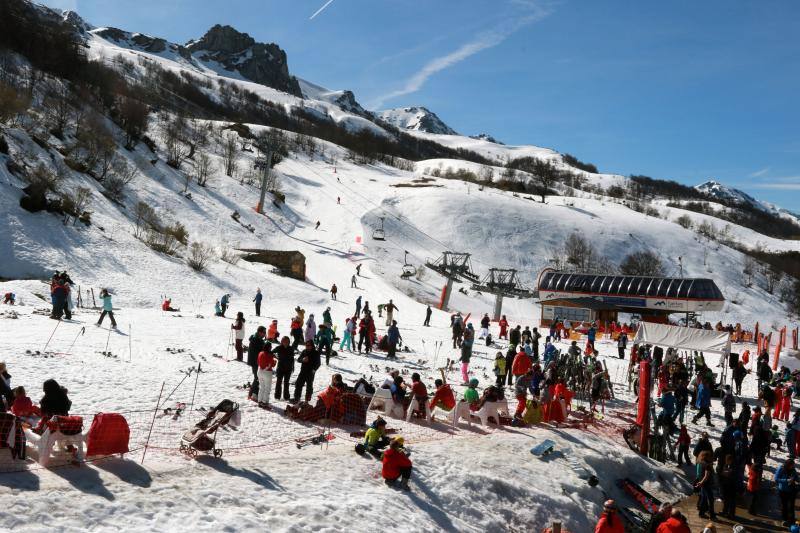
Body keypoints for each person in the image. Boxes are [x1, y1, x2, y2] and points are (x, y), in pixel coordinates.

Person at [776, 458, 800, 525]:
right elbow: (776, 479)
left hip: (792, 490)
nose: (792, 467)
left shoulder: (793, 470)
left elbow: (796, 477)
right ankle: (784, 519)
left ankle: (792, 519)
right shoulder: (781, 469)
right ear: (787, 465)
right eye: (791, 465)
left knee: (791, 506)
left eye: (793, 465)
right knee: (784, 505)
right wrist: (786, 480)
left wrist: (797, 481)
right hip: (783, 490)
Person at [247, 326, 267, 398]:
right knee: (257, 377)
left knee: (258, 377)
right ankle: (252, 393)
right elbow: (259, 351)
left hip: (257, 361)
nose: (265, 334)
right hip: (255, 361)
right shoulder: (256, 339)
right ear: (259, 332)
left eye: (265, 332)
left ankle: (254, 393)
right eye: (264, 332)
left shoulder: (259, 339)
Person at [695, 450, 716, 519]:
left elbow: (701, 474)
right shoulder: (707, 465)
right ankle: (712, 515)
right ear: (706, 457)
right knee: (711, 499)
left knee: (704, 499)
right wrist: (702, 482)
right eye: (710, 456)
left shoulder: (700, 463)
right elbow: (706, 476)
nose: (711, 458)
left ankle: (701, 513)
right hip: (707, 484)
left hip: (703, 484)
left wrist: (700, 482)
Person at [273, 336, 294, 401]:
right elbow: (271, 352)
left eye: (287, 341)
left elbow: (292, 358)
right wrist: (276, 357)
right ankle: (277, 396)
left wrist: (293, 367)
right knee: (278, 382)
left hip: (288, 368)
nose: (285, 342)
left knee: (286, 383)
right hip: (280, 368)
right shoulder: (278, 348)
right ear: (282, 342)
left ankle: (286, 397)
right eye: (284, 341)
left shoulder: (291, 348)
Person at [718, 454, 737, 519]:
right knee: (726, 500)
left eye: (727, 460)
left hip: (732, 486)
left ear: (731, 460)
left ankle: (731, 514)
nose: (726, 461)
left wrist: (727, 473)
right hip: (726, 486)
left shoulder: (734, 467)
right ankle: (725, 511)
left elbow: (732, 475)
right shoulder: (726, 465)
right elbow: (723, 473)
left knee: (732, 501)